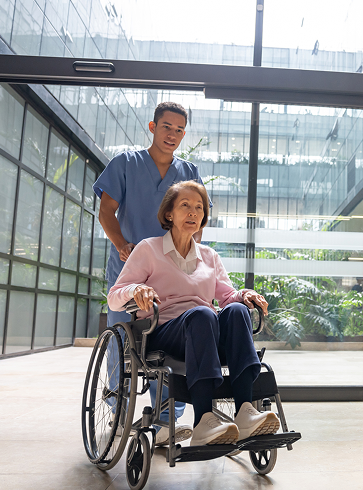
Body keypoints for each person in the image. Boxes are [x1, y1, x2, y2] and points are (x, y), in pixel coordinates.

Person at [107, 181, 280, 446]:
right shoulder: (148, 249)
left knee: (235, 311)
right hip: (164, 331)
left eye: (199, 208)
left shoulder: (209, 256)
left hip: (205, 330)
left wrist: (244, 295)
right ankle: (203, 421)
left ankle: (245, 411)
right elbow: (114, 297)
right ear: (169, 214)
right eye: (185, 206)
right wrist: (135, 290)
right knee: (202, 314)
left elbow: (227, 295)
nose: (193, 213)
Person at [93, 101, 207, 446]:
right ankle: (118, 409)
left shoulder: (188, 173)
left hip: (173, 274)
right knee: (124, 344)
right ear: (152, 126)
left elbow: (196, 223)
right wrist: (122, 245)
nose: (172, 134)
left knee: (173, 349)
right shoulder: (126, 164)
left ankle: (166, 420)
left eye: (179, 129)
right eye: (166, 127)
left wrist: (189, 255)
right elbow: (106, 211)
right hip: (131, 269)